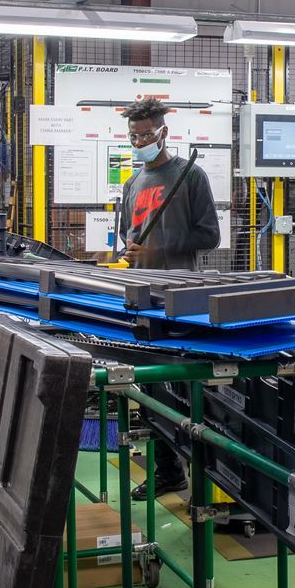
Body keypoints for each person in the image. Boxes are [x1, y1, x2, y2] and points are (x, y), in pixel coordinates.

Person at [115, 95, 221, 498]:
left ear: (164, 133)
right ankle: (167, 471)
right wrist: (120, 256)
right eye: (134, 135)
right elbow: (128, 236)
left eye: (146, 134)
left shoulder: (190, 177)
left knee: (182, 388)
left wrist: (160, 251)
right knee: (151, 389)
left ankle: (205, 473)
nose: (139, 141)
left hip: (178, 299)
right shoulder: (131, 184)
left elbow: (210, 235)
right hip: (142, 298)